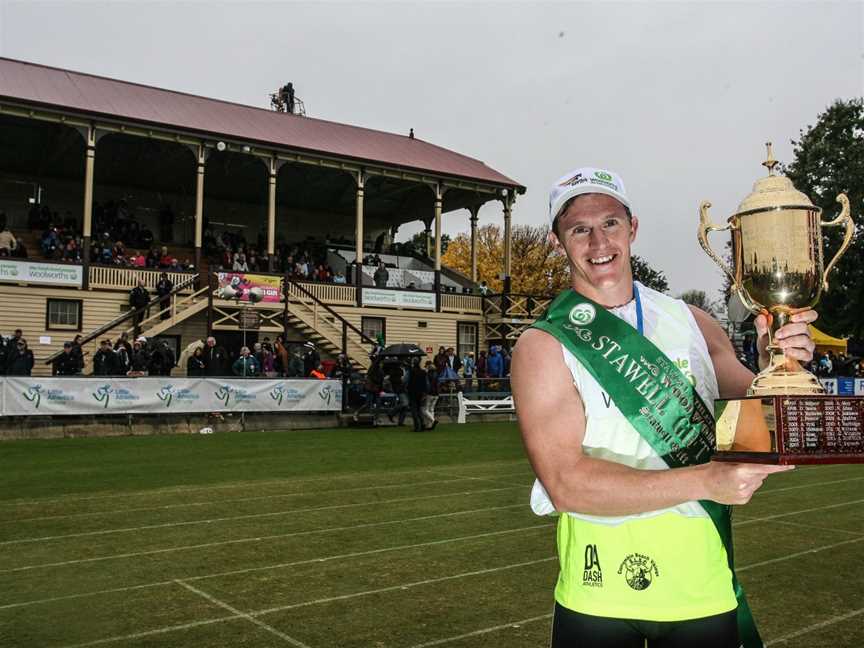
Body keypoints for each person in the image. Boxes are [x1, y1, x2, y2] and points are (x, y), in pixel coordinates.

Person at [511, 167, 817, 648]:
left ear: (632, 228)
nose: (598, 243)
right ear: (558, 242)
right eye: (579, 229)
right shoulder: (544, 343)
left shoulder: (691, 322)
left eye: (610, 223)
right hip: (599, 593)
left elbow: (759, 405)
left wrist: (775, 358)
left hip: (701, 585)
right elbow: (565, 483)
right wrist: (706, 480)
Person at [406, 358, 429, 431]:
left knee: (414, 410)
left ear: (413, 363)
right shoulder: (423, 372)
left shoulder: (410, 371)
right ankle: (422, 424)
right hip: (421, 393)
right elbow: (427, 383)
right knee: (419, 409)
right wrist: (425, 392)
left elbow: (405, 380)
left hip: (412, 392)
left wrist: (405, 387)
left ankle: (417, 426)